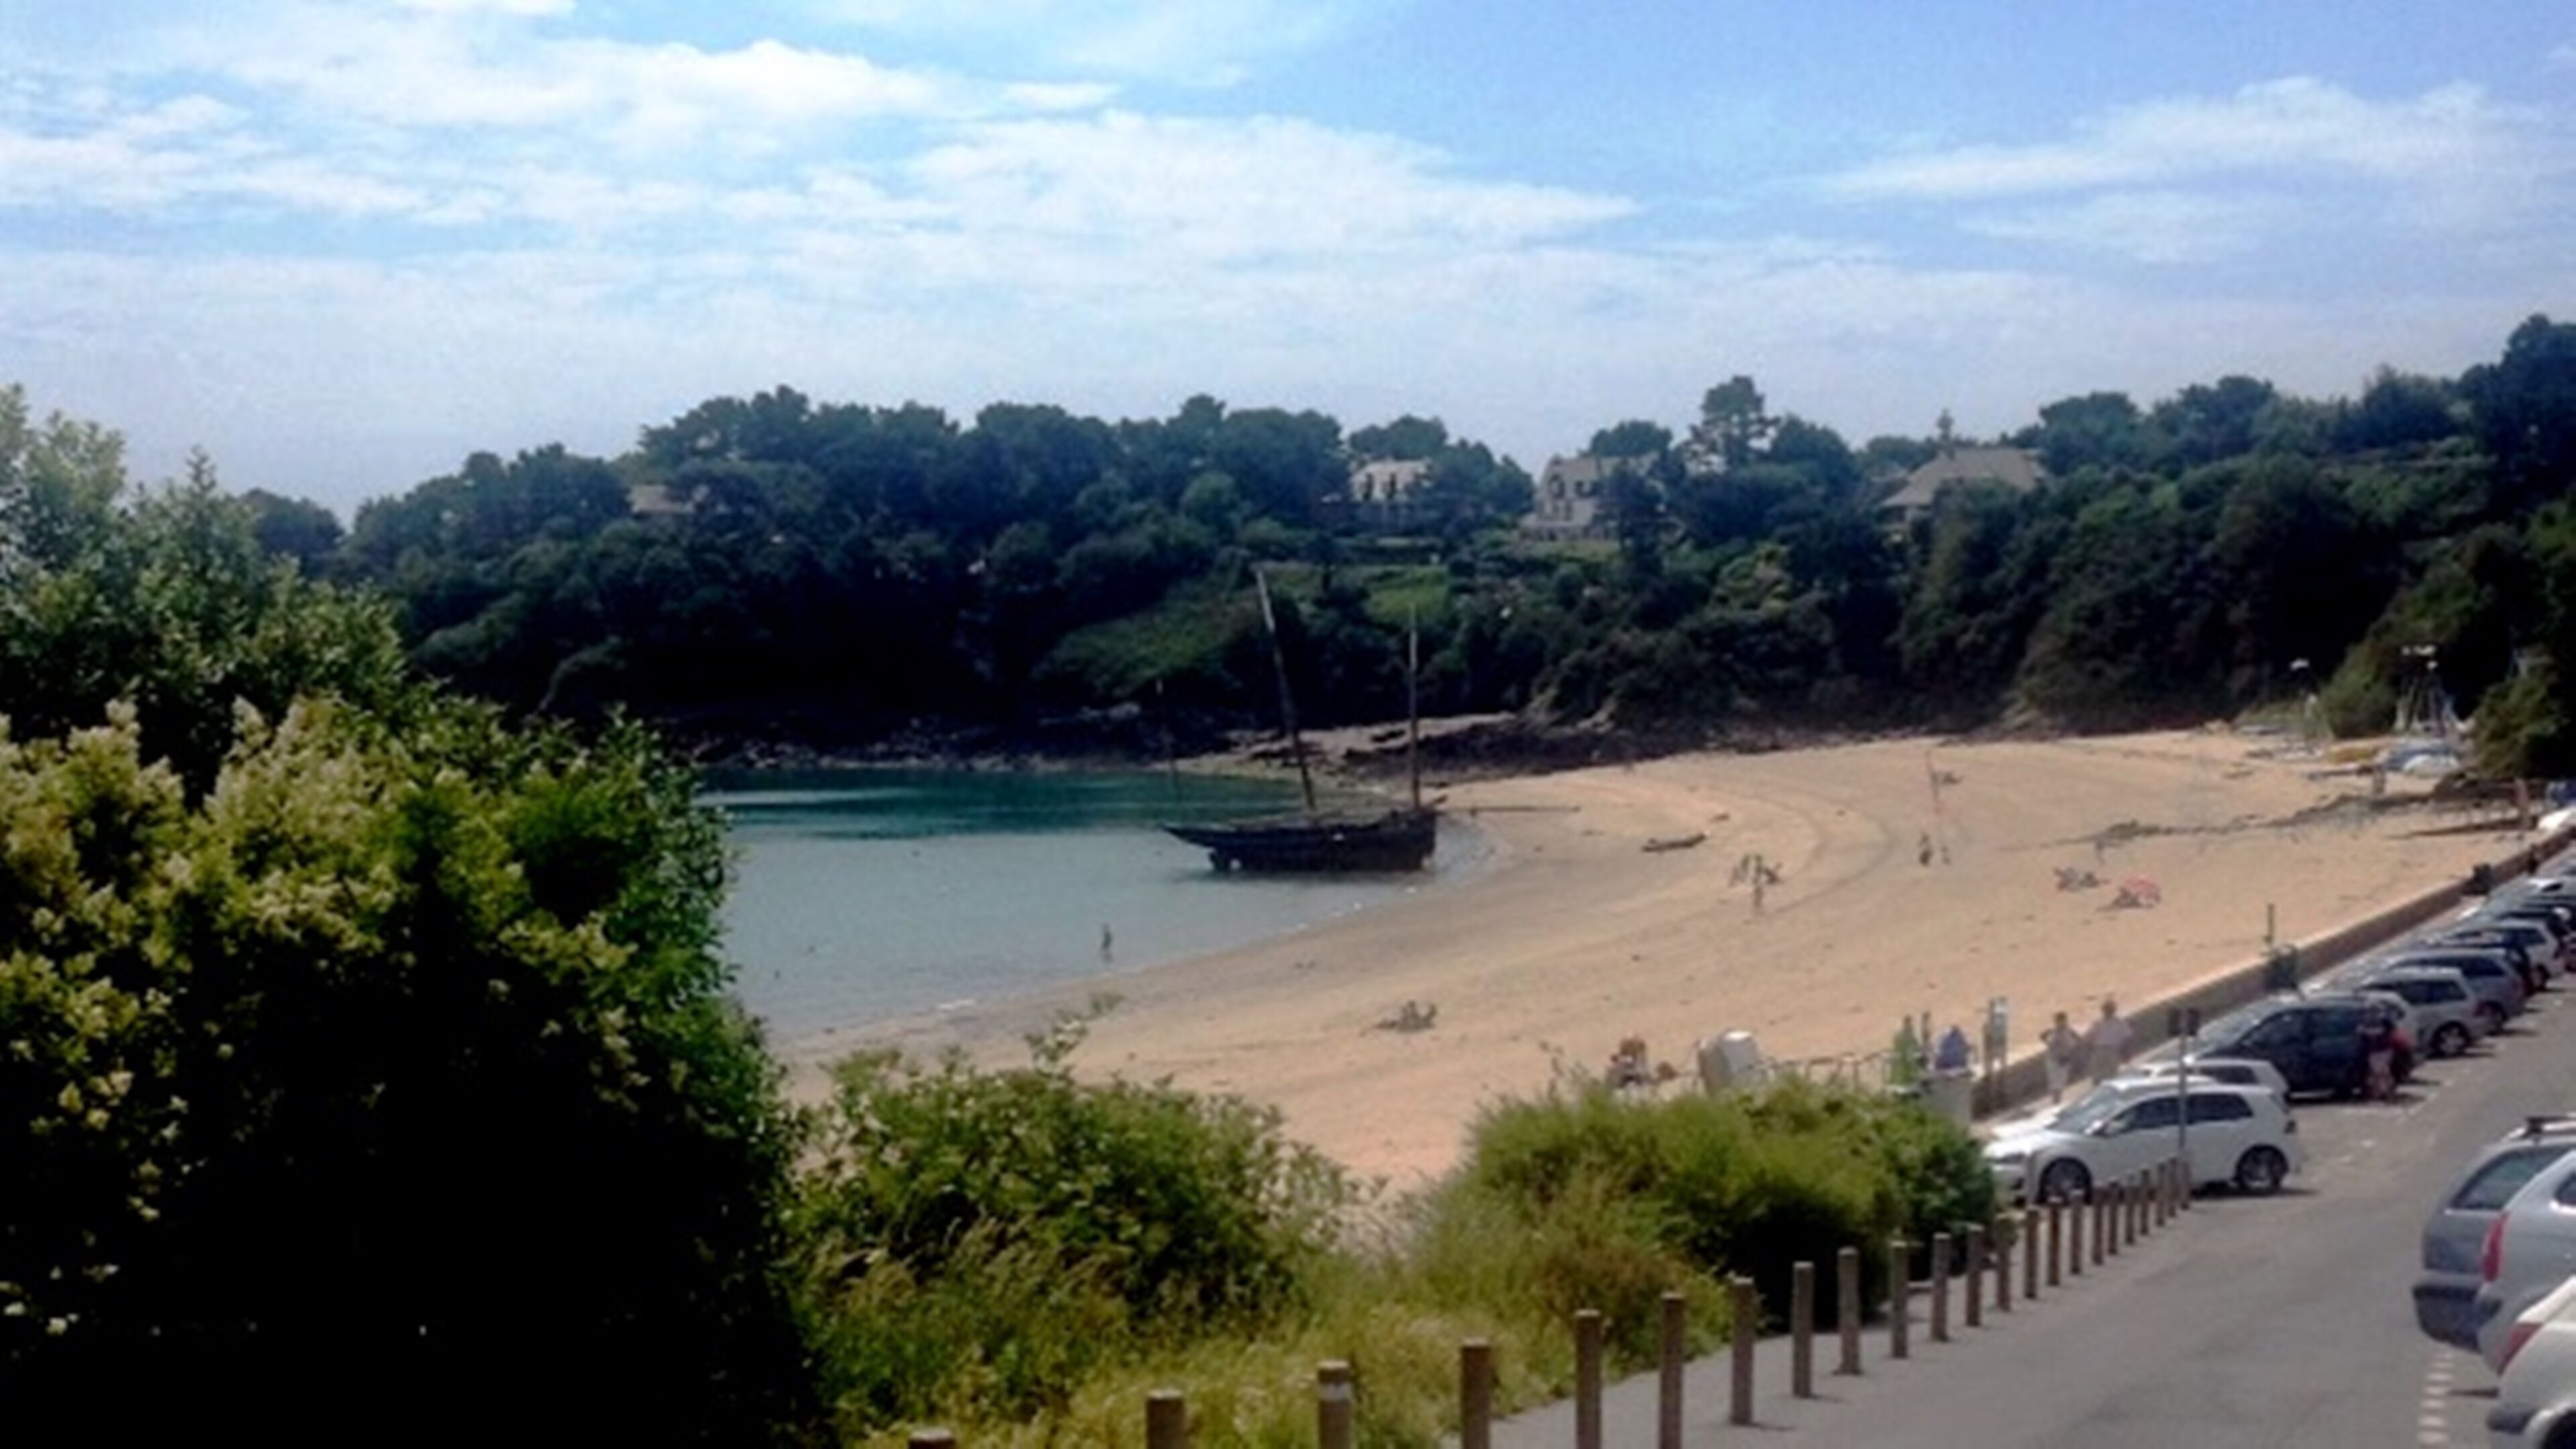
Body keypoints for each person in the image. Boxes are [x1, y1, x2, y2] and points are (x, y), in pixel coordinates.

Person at [2082, 998, 2133, 1084]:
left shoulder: (2119, 1023)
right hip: (2100, 1052)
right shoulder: (2098, 1023)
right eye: (2106, 1009)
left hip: (2112, 1052)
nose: (2108, 1011)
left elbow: (2127, 1039)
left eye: (2109, 1009)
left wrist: (2126, 1054)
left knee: (2111, 1077)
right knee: (2097, 1077)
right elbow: (2089, 1038)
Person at [2041, 1010, 2082, 1102]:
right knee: (2054, 1082)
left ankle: (2058, 1099)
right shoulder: (2052, 1030)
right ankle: (2055, 1100)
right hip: (2053, 1059)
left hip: (2064, 1060)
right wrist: (2049, 1044)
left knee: (2061, 1082)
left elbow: (2078, 1039)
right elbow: (2042, 1036)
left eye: (2062, 1021)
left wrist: (2072, 1050)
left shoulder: (2069, 1031)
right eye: (2058, 1021)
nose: (2060, 1023)